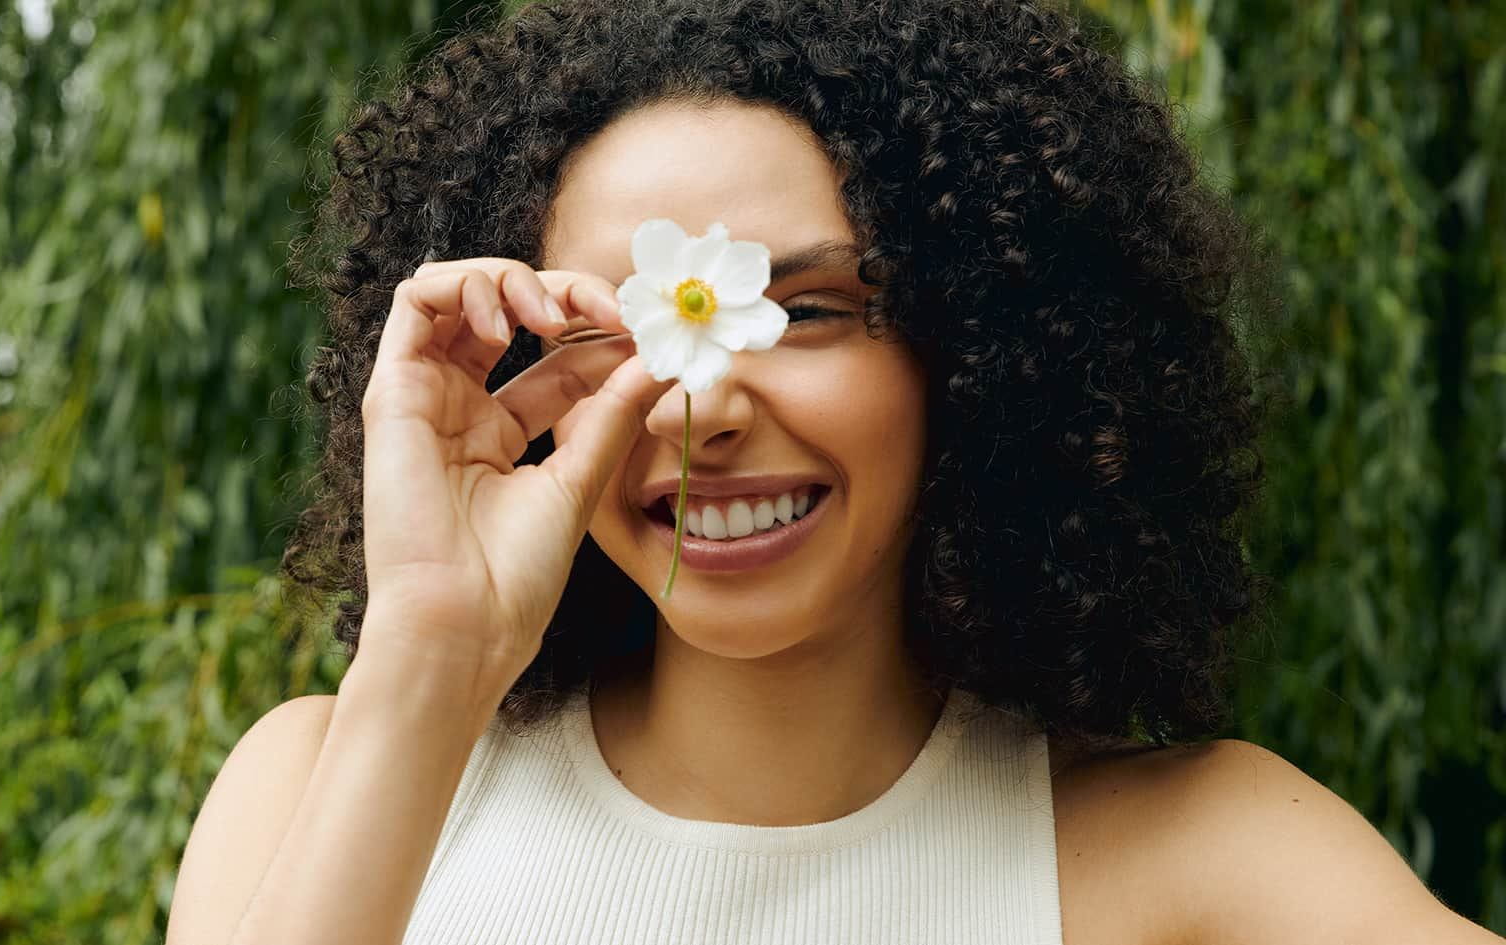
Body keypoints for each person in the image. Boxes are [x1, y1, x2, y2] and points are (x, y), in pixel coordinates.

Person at [165, 0, 1505, 943]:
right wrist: (431, 654)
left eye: (804, 313)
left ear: (977, 344)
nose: (702, 404)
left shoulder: (1198, 857)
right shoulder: (317, 781)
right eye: (611, 332)